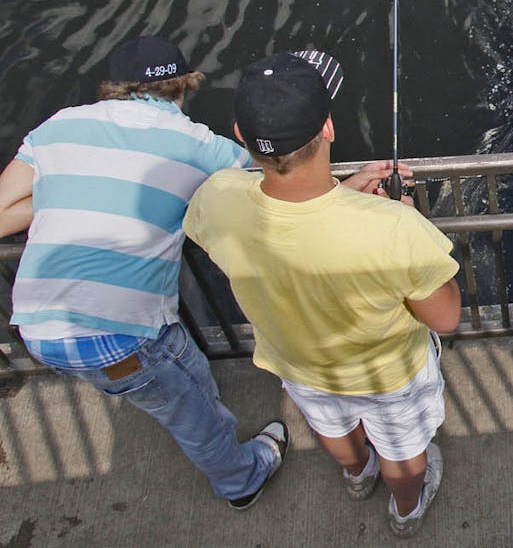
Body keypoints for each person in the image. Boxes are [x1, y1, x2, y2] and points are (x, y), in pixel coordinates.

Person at [182, 51, 460, 538]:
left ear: (242, 137)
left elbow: (290, 233)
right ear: (328, 129)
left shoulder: (216, 197)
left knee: (335, 431)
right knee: (403, 451)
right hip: (388, 374)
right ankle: (406, 510)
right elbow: (444, 317)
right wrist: (399, 218)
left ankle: (357, 476)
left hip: (300, 366)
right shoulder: (393, 228)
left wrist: (345, 196)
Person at [0, 37, 286, 509]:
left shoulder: (59, 127)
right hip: (121, 339)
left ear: (116, 87)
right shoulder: (197, 144)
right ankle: (242, 480)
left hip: (35, 325)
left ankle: (182, 391)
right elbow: (270, 181)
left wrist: (60, 195)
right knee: (194, 418)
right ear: (185, 85)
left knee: (167, 381)